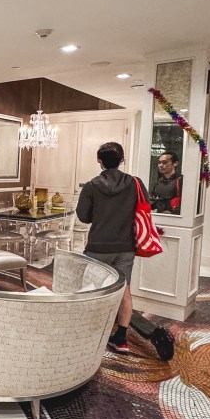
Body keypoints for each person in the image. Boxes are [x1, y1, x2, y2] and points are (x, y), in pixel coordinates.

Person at [77, 141, 145, 353]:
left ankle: (90, 335)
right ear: (122, 160)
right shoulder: (135, 183)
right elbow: (146, 206)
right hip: (125, 246)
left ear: (99, 161)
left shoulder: (91, 186)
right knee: (124, 289)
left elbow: (83, 217)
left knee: (92, 290)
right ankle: (121, 338)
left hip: (97, 247)